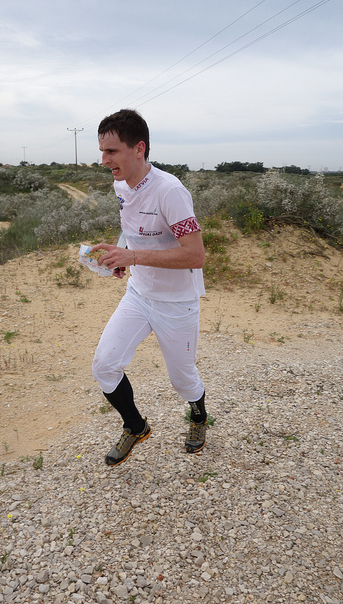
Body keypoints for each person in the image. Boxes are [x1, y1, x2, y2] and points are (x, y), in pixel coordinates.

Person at [91, 109, 208, 467]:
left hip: (177, 302)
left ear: (138, 148)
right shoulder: (119, 184)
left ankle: (199, 417)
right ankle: (136, 426)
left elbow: (196, 255)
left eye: (111, 151)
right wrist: (121, 255)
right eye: (102, 151)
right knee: (104, 365)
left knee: (183, 381)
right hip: (139, 295)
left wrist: (135, 255)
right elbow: (131, 227)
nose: (103, 159)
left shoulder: (170, 190)